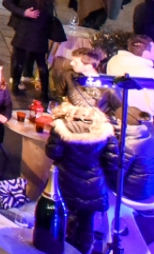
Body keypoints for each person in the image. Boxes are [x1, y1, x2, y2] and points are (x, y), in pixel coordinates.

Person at [44, 105, 115, 254]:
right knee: (86, 221)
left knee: (59, 216)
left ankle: (55, 247)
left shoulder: (61, 128)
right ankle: (83, 250)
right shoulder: (106, 131)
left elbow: (53, 153)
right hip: (93, 187)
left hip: (65, 182)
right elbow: (112, 163)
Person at [5, 0, 59, 100]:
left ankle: (15, 87)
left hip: (24, 35)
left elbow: (11, 3)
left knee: (19, 61)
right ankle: (44, 93)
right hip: (40, 36)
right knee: (41, 64)